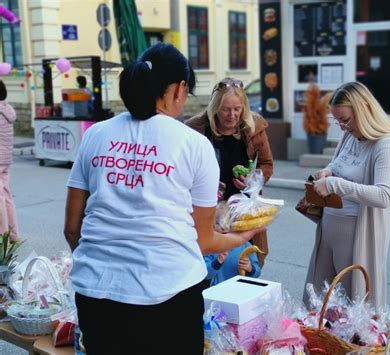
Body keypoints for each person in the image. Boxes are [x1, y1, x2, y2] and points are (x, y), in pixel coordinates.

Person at [64, 43, 263, 355]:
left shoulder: (95, 134)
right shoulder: (194, 146)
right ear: (179, 89)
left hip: (95, 295)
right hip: (169, 296)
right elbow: (204, 241)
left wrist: (105, 266)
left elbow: (72, 228)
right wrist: (243, 235)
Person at [304, 81, 390, 310]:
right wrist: (328, 171)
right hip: (330, 228)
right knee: (321, 303)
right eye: (338, 120)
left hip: (355, 235)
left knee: (353, 307)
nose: (342, 127)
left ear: (364, 109)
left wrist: (335, 183)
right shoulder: (351, 136)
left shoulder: (386, 146)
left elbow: (384, 196)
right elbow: (338, 162)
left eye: (345, 120)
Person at [186, 77, 273, 267]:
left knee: (245, 263)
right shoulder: (196, 130)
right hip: (207, 209)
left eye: (237, 109)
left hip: (243, 210)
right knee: (209, 264)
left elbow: (266, 163)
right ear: (215, 107)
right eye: (226, 109)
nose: (232, 115)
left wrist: (254, 181)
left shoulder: (254, 127)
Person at [0, 80, 19, 241]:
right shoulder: (7, 109)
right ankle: (13, 234)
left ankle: (3, 233)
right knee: (6, 195)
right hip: (6, 159)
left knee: (0, 198)